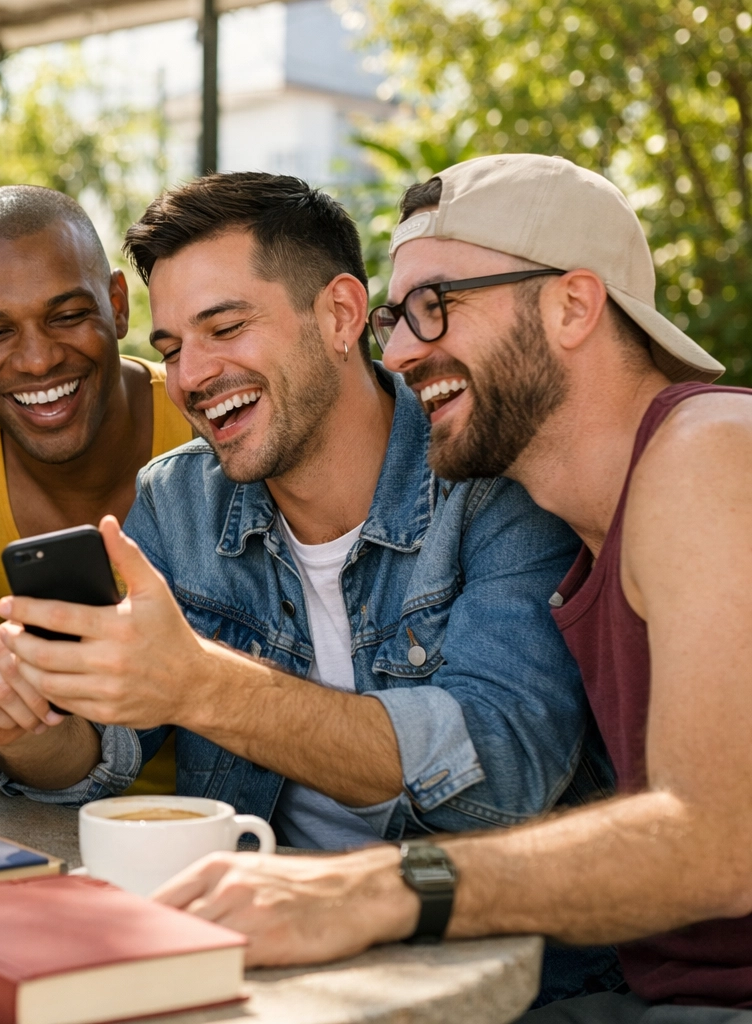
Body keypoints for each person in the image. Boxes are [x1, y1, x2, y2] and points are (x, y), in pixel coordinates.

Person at [0, 172, 617, 999]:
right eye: (171, 348)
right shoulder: (179, 500)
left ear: (340, 315)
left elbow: (504, 770)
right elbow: (104, 749)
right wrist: (24, 726)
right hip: (260, 963)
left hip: (499, 985)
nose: (191, 377)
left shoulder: (488, 476)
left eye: (225, 327)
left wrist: (203, 685)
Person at [149, 155, 752, 1022]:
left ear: (573, 306)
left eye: (436, 306)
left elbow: (718, 845)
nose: (397, 353)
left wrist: (376, 888)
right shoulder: (587, 526)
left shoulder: (707, 453)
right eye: (396, 318)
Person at [0, 185, 191, 793]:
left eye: (67, 316)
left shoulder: (202, 420)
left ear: (117, 305)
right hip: (19, 807)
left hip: (211, 818)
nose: (37, 361)